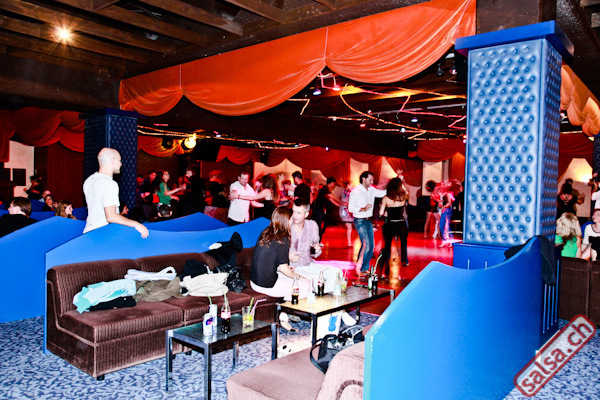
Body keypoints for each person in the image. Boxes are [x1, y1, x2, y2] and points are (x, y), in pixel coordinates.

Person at [249, 207, 309, 331]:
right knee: (306, 285)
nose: (293, 220)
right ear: (285, 221)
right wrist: (300, 278)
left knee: (292, 279)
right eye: (291, 218)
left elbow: (270, 258)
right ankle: (284, 315)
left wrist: (283, 266)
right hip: (267, 285)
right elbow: (284, 269)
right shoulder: (283, 238)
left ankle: (285, 313)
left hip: (254, 281)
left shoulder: (267, 231)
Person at [83, 147, 149, 238]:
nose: (121, 164)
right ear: (113, 161)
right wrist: (136, 224)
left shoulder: (89, 180)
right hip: (103, 234)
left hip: (89, 233)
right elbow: (111, 217)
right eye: (119, 160)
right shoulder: (109, 184)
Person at [348, 171, 386, 276]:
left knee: (371, 246)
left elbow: (383, 193)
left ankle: (364, 268)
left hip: (368, 221)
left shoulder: (372, 190)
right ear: (363, 179)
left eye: (372, 180)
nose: (372, 182)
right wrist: (363, 208)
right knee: (366, 245)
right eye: (370, 179)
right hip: (359, 220)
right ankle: (359, 268)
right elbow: (351, 208)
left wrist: (395, 182)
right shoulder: (355, 192)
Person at [378, 177, 410, 278]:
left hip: (390, 224)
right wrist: (402, 185)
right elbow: (406, 192)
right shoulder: (403, 197)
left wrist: (385, 212)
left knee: (387, 245)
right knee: (403, 243)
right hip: (401, 224)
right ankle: (404, 260)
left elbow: (381, 213)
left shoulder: (386, 198)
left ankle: (387, 261)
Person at [437, 181, 455, 247]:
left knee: (443, 225)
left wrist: (443, 207)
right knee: (445, 226)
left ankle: (446, 240)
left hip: (447, 210)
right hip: (446, 210)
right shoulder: (445, 193)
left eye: (444, 185)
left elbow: (449, 203)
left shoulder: (449, 193)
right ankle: (448, 240)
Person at [339, 180, 354, 247]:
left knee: (350, 227)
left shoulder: (346, 192)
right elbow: (345, 202)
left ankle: (349, 242)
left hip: (346, 211)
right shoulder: (346, 192)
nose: (352, 186)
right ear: (348, 185)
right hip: (345, 212)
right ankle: (349, 242)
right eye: (351, 185)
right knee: (349, 227)